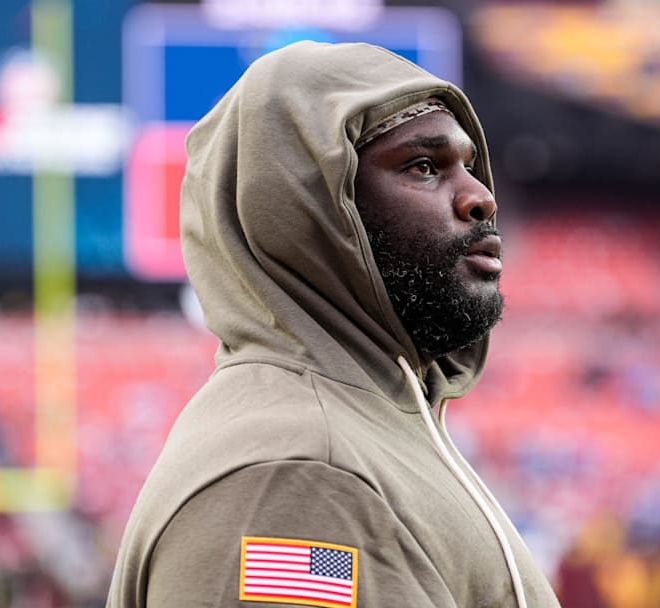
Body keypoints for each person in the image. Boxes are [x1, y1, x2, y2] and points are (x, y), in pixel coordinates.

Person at [106, 41, 561, 608]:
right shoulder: (293, 479)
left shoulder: (363, 429)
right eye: (423, 167)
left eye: (469, 166)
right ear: (312, 213)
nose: (481, 198)